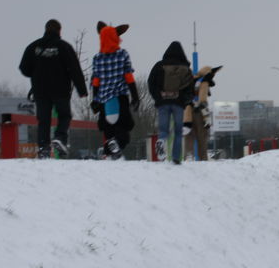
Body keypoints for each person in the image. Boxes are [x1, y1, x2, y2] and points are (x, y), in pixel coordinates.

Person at [19, 18, 88, 159]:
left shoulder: (33, 47)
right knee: (64, 115)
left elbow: (24, 68)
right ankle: (60, 139)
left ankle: (44, 148)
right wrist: (82, 90)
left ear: (45, 29)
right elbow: (75, 69)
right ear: (59, 31)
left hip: (40, 90)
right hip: (60, 90)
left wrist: (36, 72)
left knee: (43, 120)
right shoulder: (64, 47)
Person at [89, 21, 140, 160]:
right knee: (124, 128)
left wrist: (95, 99)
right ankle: (115, 145)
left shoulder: (97, 58)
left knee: (108, 129)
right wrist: (135, 96)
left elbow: (96, 81)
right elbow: (129, 77)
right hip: (120, 96)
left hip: (104, 100)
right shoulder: (122, 54)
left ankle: (110, 151)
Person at [148, 41, 194, 164]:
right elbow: (191, 89)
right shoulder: (185, 68)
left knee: (163, 130)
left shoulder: (159, 66)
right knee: (178, 131)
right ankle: (176, 158)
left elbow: (151, 83)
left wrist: (158, 97)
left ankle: (161, 142)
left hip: (163, 103)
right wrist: (184, 101)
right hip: (178, 104)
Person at [184, 65, 222, 161]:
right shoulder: (204, 81)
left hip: (187, 111)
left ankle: (188, 156)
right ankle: (203, 158)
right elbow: (203, 100)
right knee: (202, 136)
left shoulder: (189, 81)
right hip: (199, 112)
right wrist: (207, 118)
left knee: (189, 134)